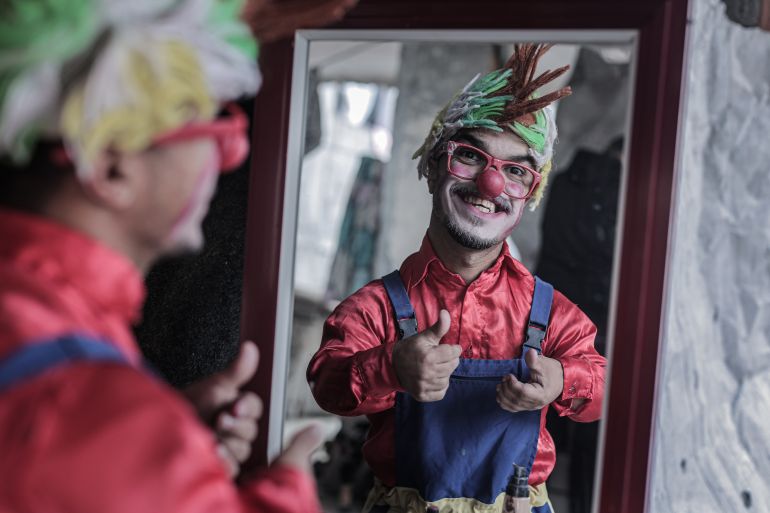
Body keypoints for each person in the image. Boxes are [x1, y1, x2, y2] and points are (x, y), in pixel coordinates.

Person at [0, 1, 323, 511]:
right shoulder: (87, 404)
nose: (231, 155)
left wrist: (164, 447)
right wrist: (285, 488)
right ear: (111, 165)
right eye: (209, 123)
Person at [307, 44, 607, 513]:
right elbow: (327, 382)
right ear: (432, 166)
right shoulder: (376, 307)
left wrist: (562, 379)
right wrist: (390, 367)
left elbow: (604, 388)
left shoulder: (550, 314)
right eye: (470, 156)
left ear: (529, 194)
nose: (491, 184)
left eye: (515, 170)